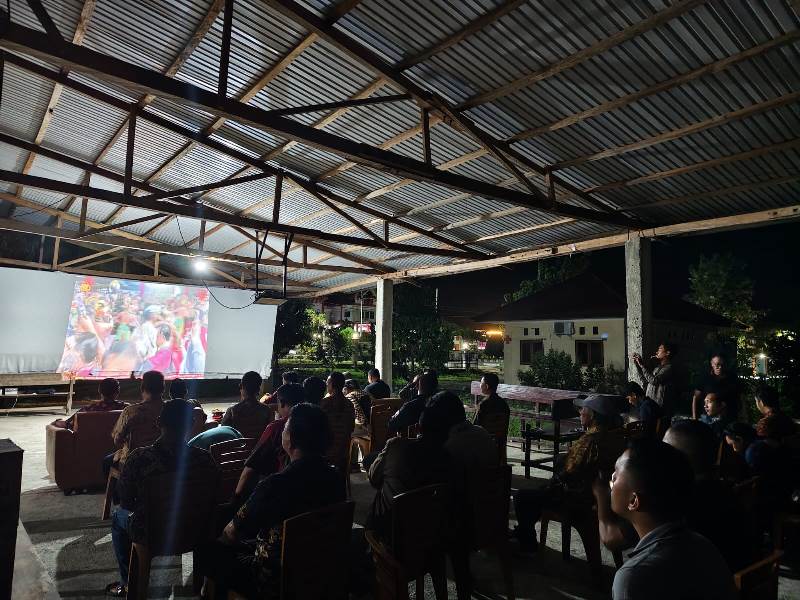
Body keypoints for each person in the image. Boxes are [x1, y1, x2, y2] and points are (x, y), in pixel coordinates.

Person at [196, 403, 344, 599]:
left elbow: (232, 533)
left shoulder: (275, 485)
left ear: (291, 439)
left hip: (274, 578)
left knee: (207, 551)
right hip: (320, 570)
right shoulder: (335, 477)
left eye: (285, 427)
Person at [594, 420, 759, 573]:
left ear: (677, 458)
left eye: (664, 448)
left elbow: (611, 539)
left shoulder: (671, 501)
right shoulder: (724, 490)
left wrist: (601, 494)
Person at [105, 399, 216, 597]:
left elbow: (126, 501)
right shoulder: (205, 459)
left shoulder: (139, 458)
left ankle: (128, 582)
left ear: (158, 422)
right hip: (196, 529)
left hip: (152, 533)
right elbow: (213, 496)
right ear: (191, 424)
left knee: (118, 517)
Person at [609, 439, 736, 600]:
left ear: (634, 501)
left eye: (616, 473)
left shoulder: (633, 577)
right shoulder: (703, 544)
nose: (612, 476)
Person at [513, 394, 626, 551]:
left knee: (522, 497)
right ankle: (525, 535)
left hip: (577, 499)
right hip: (600, 498)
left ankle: (527, 544)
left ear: (592, 415)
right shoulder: (616, 437)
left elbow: (571, 472)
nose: (580, 413)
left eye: (582, 409)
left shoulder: (591, 440)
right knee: (537, 495)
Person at [367, 395, 452, 539]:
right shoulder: (448, 456)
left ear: (418, 427)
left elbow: (373, 478)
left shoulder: (396, 446)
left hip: (392, 529)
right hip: (431, 532)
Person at [234, 383, 304, 504]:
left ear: (282, 403)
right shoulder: (314, 423)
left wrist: (236, 498)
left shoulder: (278, 427)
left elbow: (252, 465)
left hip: (280, 495)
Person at [106, 370, 166, 476]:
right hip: (164, 459)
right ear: (163, 388)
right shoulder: (170, 409)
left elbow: (117, 440)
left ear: (142, 388)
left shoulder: (130, 411)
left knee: (106, 462)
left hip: (134, 462)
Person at [51, 377, 127, 430]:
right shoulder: (126, 409)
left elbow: (67, 424)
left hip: (90, 445)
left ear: (99, 391)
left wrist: (57, 422)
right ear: (117, 392)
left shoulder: (87, 410)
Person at [221, 371, 273, 439]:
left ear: (241, 386)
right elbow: (270, 433)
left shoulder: (232, 411)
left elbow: (223, 433)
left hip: (239, 445)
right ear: (258, 389)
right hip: (261, 445)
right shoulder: (267, 410)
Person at [320, 371, 355, 470]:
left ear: (331, 384)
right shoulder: (349, 404)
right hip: (344, 452)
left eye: (327, 382)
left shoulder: (324, 403)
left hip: (326, 453)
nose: (326, 385)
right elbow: (351, 428)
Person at [631, 342, 676, 416]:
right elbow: (645, 380)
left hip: (658, 408)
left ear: (667, 353)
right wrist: (638, 365)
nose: (657, 352)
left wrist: (642, 365)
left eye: (660, 349)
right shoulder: (657, 368)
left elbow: (654, 381)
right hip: (651, 406)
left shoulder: (669, 368)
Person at [692, 354, 741, 420]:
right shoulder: (705, 378)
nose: (720, 367)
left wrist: (743, 416)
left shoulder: (732, 378)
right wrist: (694, 419)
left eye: (722, 365)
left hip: (728, 418)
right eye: (717, 364)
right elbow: (695, 397)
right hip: (708, 418)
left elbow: (740, 397)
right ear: (712, 364)